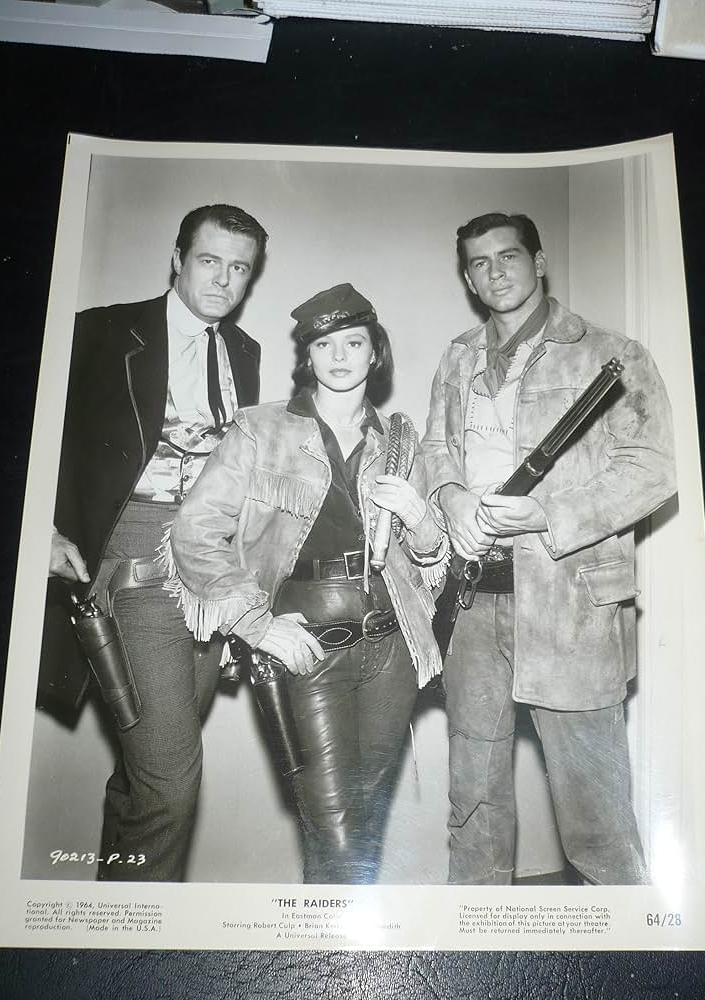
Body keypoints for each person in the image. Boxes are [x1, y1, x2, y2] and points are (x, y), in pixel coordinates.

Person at [422, 212, 676, 886]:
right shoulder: (457, 356)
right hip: (472, 603)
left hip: (570, 608)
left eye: (508, 256)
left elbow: (652, 469)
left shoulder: (609, 354)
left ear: (539, 263)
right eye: (478, 262)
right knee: (472, 807)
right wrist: (451, 504)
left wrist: (546, 512)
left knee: (597, 823)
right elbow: (436, 451)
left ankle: (632, 977)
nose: (494, 272)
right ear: (467, 276)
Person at [168, 283, 446, 884]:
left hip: (391, 647)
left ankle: (328, 958)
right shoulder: (259, 430)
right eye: (325, 344)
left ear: (376, 354)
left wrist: (420, 517)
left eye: (354, 342)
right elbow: (194, 533)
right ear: (308, 355)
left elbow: (432, 561)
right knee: (336, 823)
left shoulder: (400, 443)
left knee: (362, 821)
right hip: (306, 647)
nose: (340, 355)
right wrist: (256, 624)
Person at [40, 203, 268, 882]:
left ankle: (109, 927)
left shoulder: (245, 352)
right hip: (133, 553)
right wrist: (42, 527)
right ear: (176, 258)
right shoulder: (102, 332)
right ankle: (141, 948)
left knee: (144, 780)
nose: (224, 280)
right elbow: (34, 433)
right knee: (170, 785)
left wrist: (237, 601)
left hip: (211, 558)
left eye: (240, 268)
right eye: (209, 260)